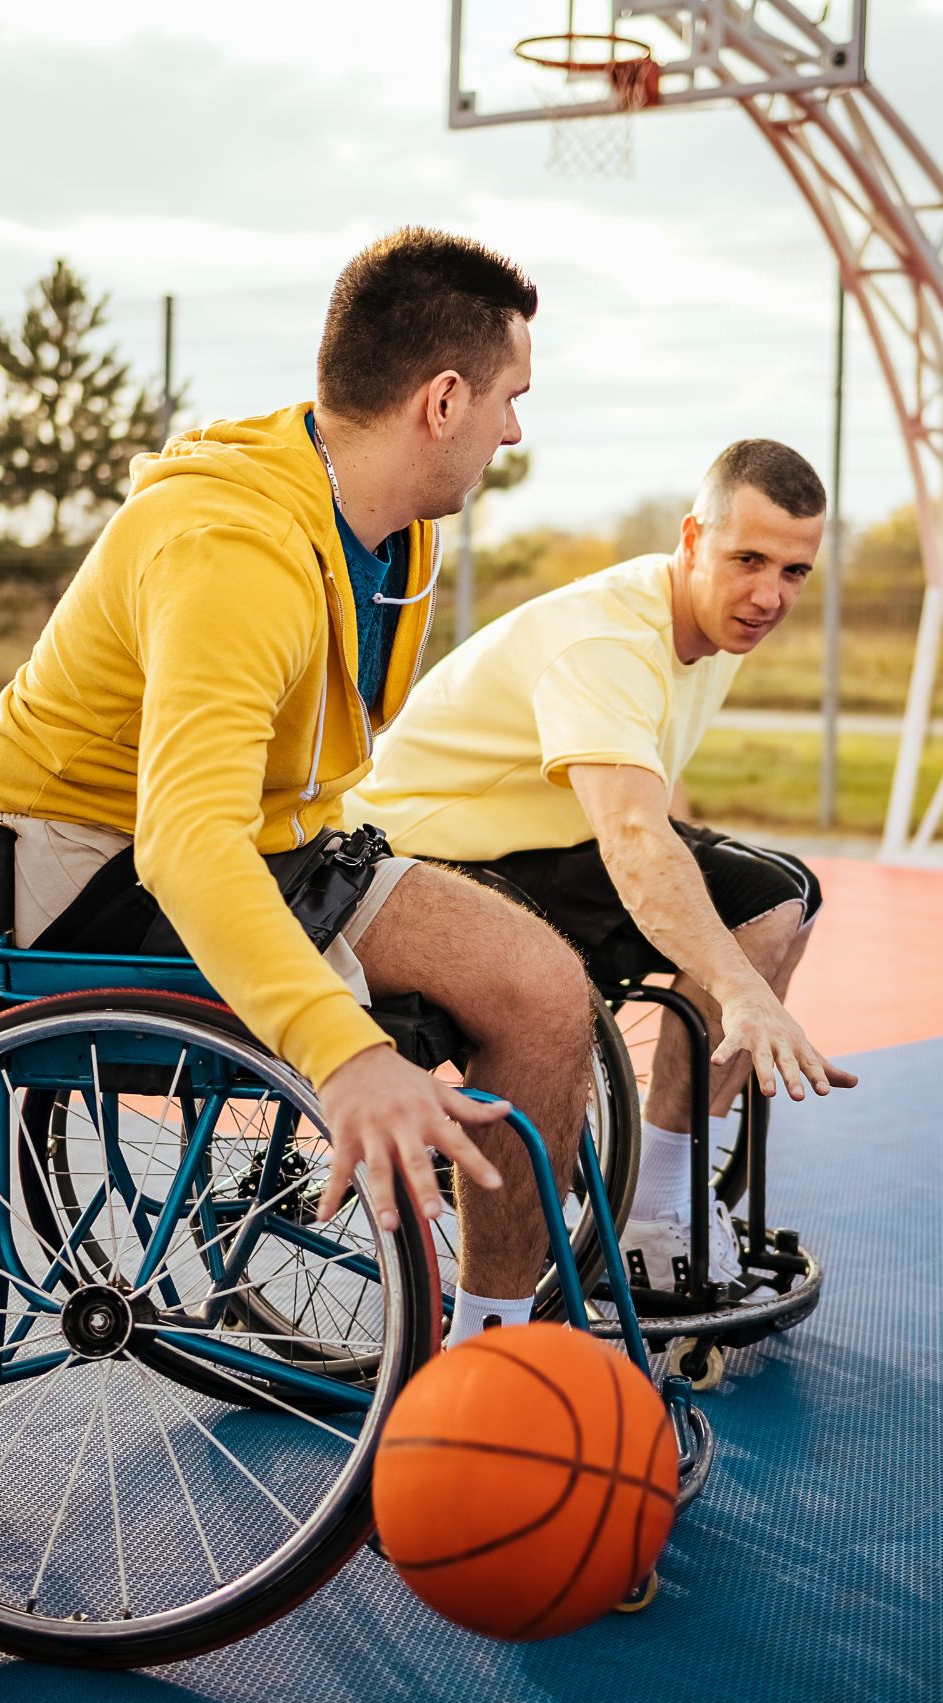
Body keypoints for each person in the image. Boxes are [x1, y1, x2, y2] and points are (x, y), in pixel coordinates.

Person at [0, 229, 596, 1346]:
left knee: (544, 989)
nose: (514, 429)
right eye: (509, 398)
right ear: (442, 400)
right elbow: (185, 840)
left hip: (264, 845)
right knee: (410, 1036)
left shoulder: (382, 533)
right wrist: (346, 1055)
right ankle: (461, 1358)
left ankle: (488, 1347)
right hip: (94, 868)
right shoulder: (232, 549)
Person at [342, 438, 857, 1294]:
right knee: (750, 920)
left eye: (796, 572)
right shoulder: (609, 639)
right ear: (694, 540)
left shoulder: (710, 626)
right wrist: (742, 990)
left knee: (781, 894)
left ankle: (659, 1187)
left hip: (529, 838)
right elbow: (631, 837)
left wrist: (730, 935)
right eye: (749, 560)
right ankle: (653, 1208)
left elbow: (655, 792)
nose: (770, 595)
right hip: (425, 851)